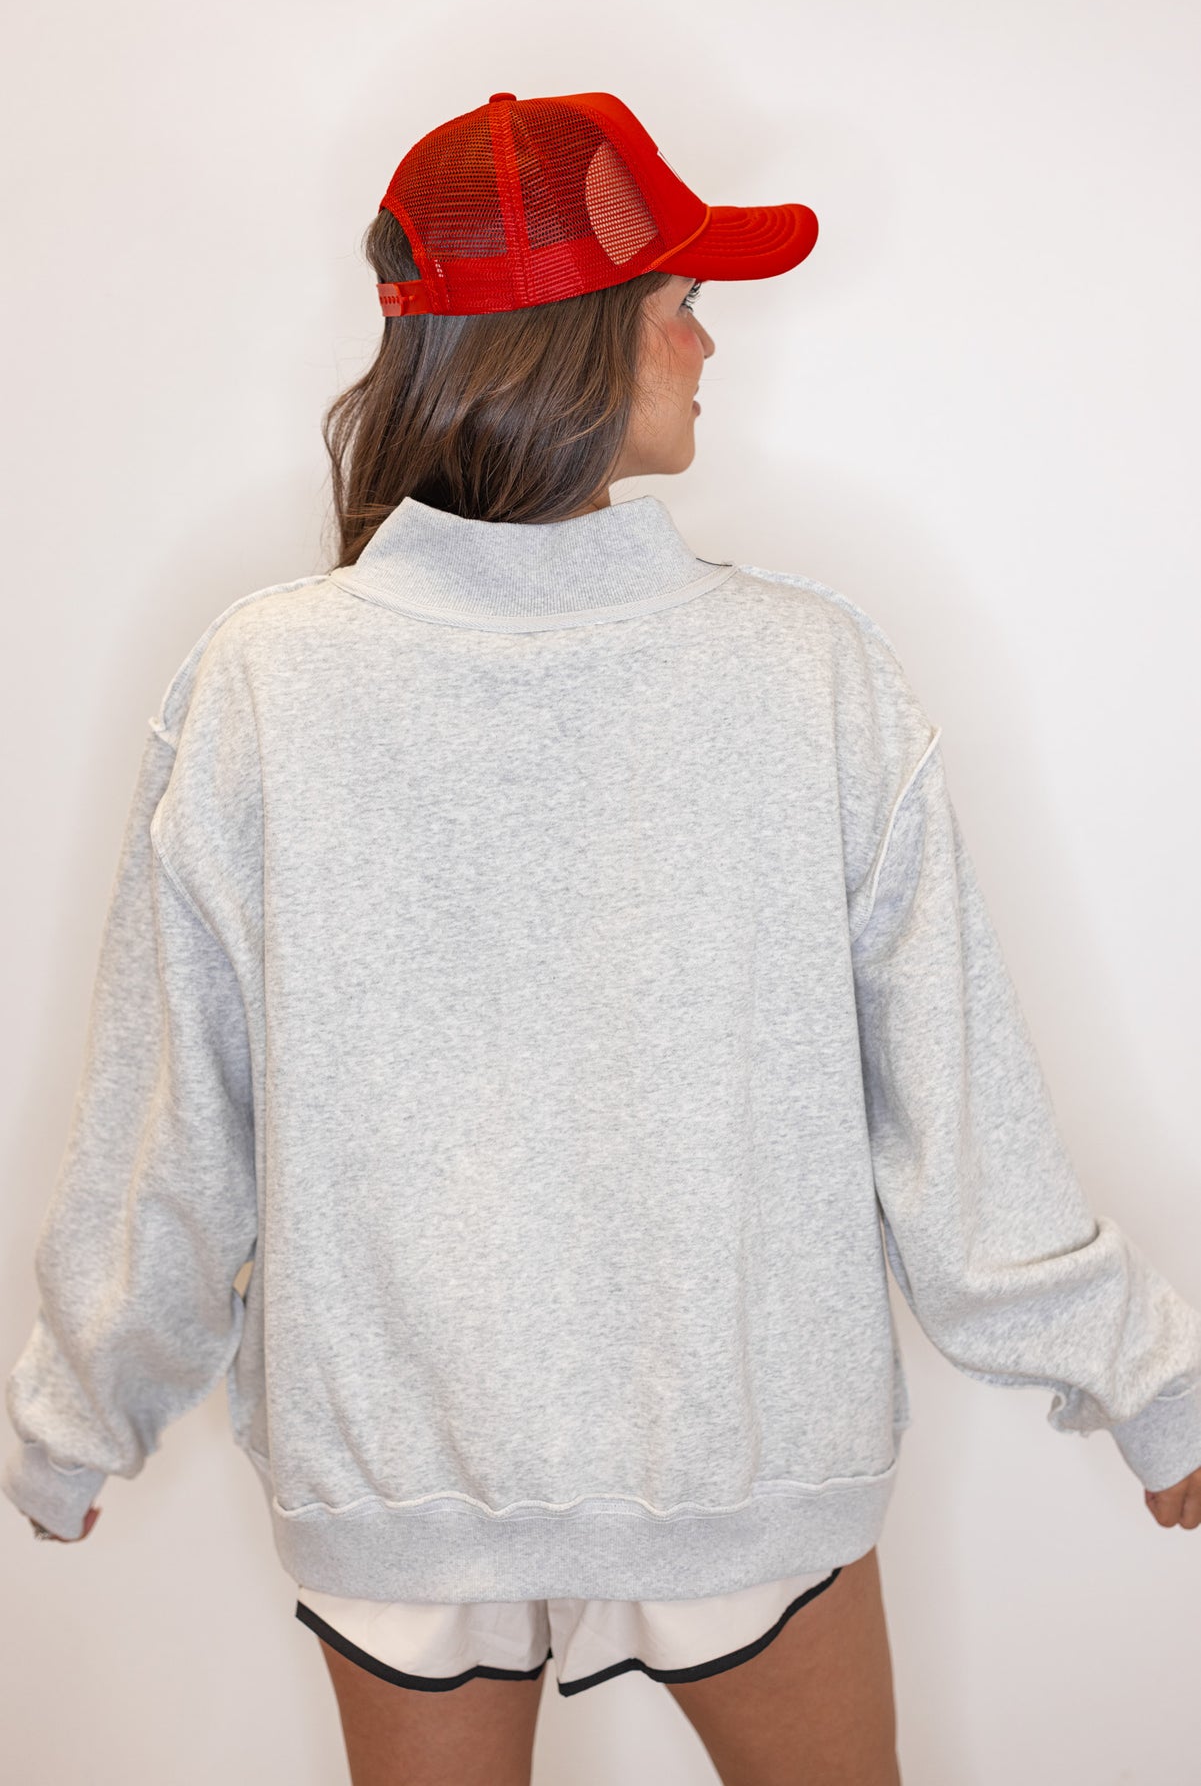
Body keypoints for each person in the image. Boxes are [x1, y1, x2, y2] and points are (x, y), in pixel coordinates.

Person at [5, 89, 1200, 1786]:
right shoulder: (804, 671)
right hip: (737, 1457)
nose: (710, 344)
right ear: (569, 336)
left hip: (404, 1476)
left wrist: (77, 1413)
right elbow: (958, 1125)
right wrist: (1147, 1380)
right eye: (679, 303)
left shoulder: (265, 680)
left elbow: (165, 1141)